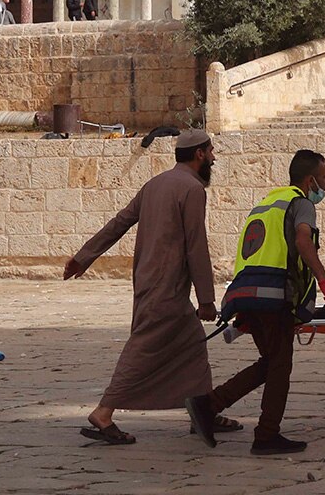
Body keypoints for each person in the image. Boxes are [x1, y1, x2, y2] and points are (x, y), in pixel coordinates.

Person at [63, 128, 217, 446]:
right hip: (168, 285)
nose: (214, 157)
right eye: (211, 151)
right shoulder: (191, 189)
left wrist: (84, 257)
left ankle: (203, 411)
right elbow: (196, 246)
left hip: (149, 278)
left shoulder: (155, 184)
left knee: (193, 344)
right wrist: (206, 299)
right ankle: (103, 412)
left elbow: (119, 222)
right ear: (200, 154)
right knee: (143, 347)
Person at [207, 149, 325, 455]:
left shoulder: (267, 203)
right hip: (274, 296)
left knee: (270, 362)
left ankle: (209, 405)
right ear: (310, 180)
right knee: (280, 366)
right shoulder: (302, 203)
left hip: (245, 293)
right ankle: (266, 435)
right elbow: (302, 241)